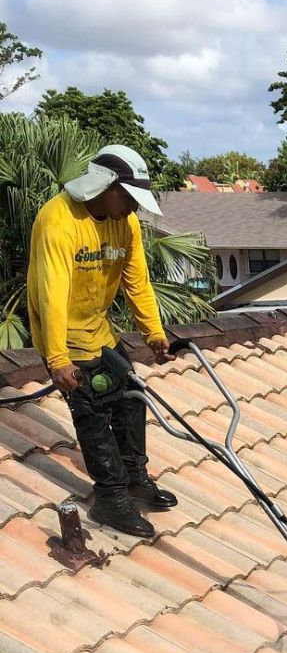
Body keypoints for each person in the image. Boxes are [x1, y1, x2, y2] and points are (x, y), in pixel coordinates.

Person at [27, 144, 178, 539]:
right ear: (105, 185)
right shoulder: (58, 221)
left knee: (130, 398)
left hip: (100, 330)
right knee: (93, 413)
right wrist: (57, 358)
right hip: (66, 337)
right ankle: (110, 499)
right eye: (128, 198)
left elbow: (137, 281)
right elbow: (51, 293)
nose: (133, 207)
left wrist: (154, 334)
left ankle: (134, 479)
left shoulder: (124, 223)